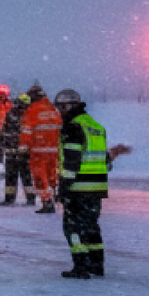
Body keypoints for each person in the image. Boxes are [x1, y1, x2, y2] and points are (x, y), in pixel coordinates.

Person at [53, 89, 107, 278]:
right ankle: (96, 264)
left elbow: (72, 161)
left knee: (72, 227)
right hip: (97, 187)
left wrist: (64, 187)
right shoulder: (96, 126)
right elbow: (104, 160)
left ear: (68, 106)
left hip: (78, 187)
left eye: (61, 107)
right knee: (91, 226)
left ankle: (81, 266)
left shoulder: (73, 127)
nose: (60, 111)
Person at [21, 85, 63, 214]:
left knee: (40, 177)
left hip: (39, 151)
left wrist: (23, 148)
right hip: (54, 150)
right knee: (53, 176)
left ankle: (47, 202)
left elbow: (26, 131)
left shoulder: (32, 110)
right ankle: (56, 196)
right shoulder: (53, 110)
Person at [0, 92, 36, 205]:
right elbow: (5, 131)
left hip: (21, 152)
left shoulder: (27, 116)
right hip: (17, 152)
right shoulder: (18, 115)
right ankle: (10, 198)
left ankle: (29, 198)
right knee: (14, 177)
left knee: (24, 177)